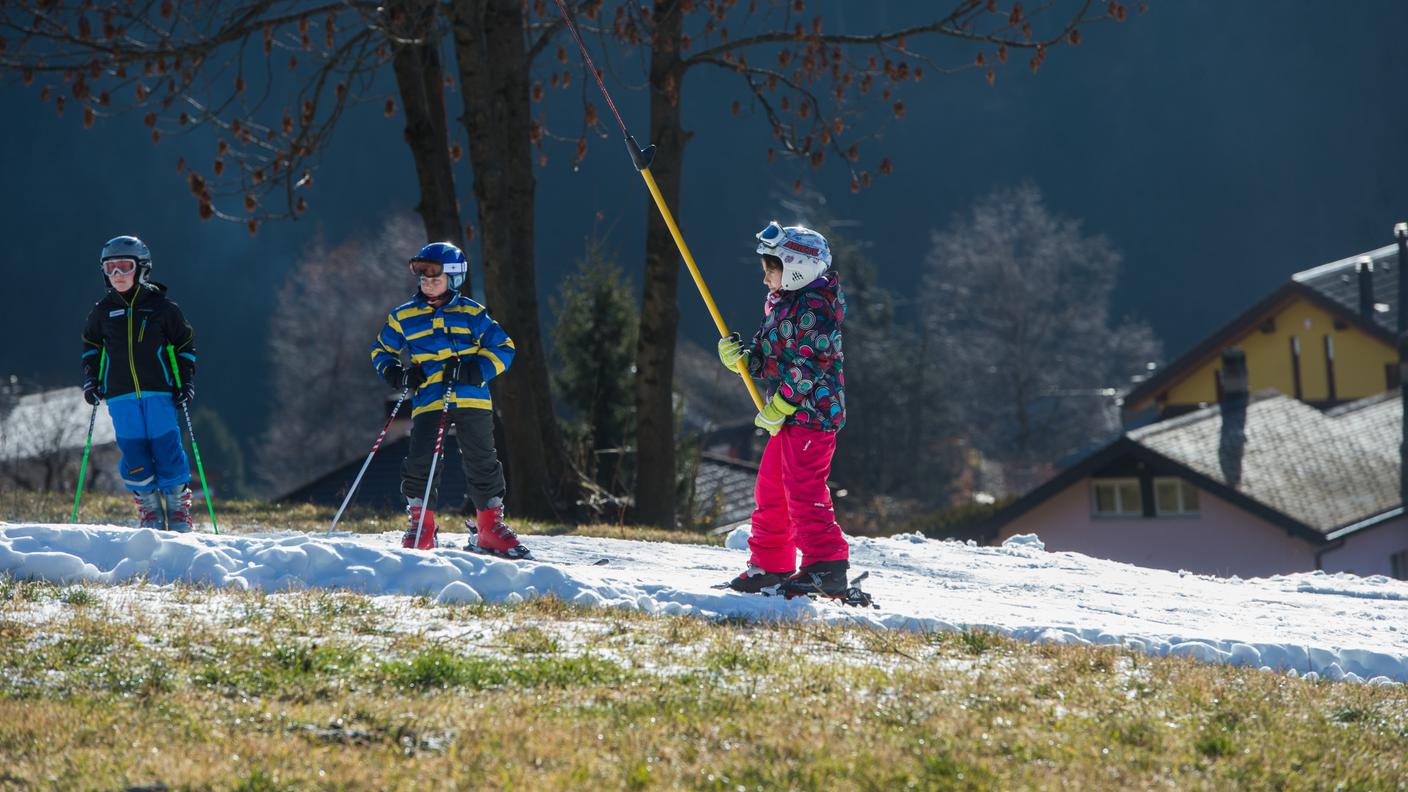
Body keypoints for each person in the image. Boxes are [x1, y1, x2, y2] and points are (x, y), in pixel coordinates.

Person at [369, 242, 528, 557]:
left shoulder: (471, 313)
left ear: (454, 277)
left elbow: (504, 347)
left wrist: (475, 369)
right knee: (421, 460)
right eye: (422, 275)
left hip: (472, 399)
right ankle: (422, 524)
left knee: (481, 460)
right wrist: (398, 375)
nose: (427, 282)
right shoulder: (405, 316)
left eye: (434, 275)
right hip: (429, 399)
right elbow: (381, 350)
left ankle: (489, 527)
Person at [717, 222, 850, 596]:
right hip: (791, 414)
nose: (765, 280)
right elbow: (771, 358)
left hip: (814, 415)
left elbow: (813, 362)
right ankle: (771, 564)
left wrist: (781, 403)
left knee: (803, 489)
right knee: (771, 488)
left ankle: (826, 565)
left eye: (770, 270)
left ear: (796, 267)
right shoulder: (782, 303)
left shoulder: (818, 308)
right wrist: (744, 359)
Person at [81, 235, 198, 531]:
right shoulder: (103, 311)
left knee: (166, 448)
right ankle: (149, 510)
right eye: (110, 268)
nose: (117, 275)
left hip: (159, 392)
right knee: (134, 454)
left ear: (142, 268)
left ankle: (177, 508)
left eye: (124, 266)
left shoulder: (161, 308)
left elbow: (185, 344)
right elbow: (92, 347)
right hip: (120, 396)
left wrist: (184, 381)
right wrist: (92, 380)